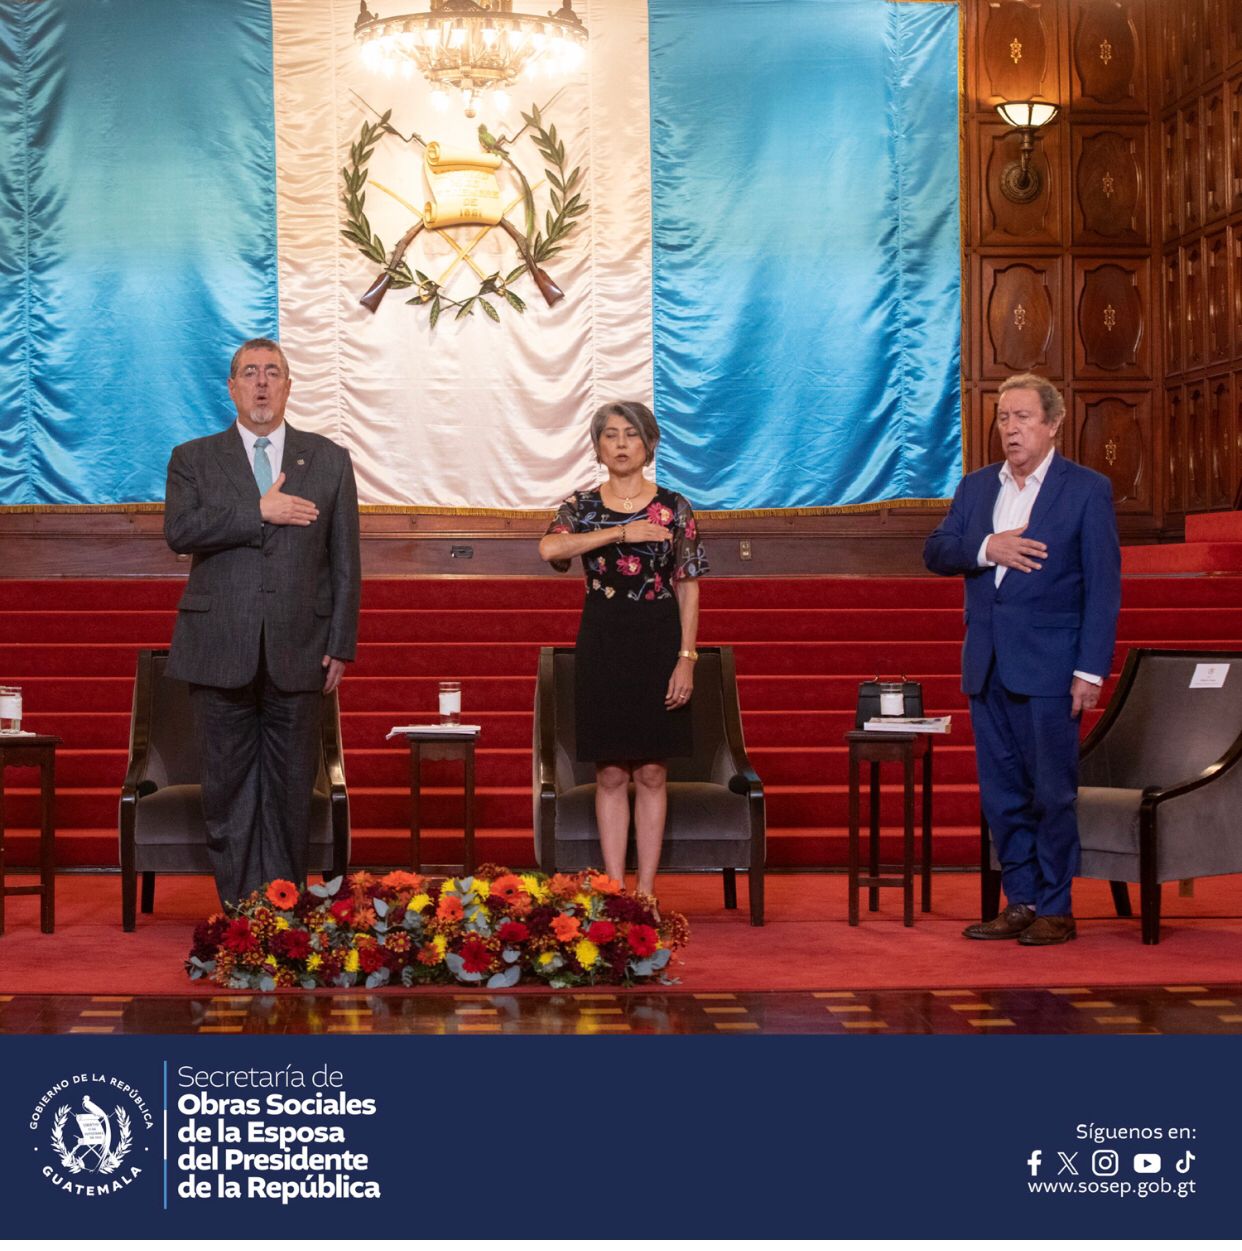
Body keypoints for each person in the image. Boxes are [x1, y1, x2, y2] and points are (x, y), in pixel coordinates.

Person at [924, 373, 1120, 946]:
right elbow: (937, 550)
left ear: (1053, 424)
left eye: (1023, 417)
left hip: (1053, 667)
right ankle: (1021, 901)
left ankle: (1056, 907)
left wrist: (1089, 670)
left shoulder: (1086, 490)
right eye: (1004, 417)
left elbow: (1103, 589)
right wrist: (990, 548)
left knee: (1052, 793)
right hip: (987, 664)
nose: (1011, 428)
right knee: (1002, 795)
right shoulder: (976, 488)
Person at [164, 338, 361, 906]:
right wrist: (257, 510)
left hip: (301, 648)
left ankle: (282, 910)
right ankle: (239, 912)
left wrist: (341, 642)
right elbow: (180, 531)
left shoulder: (328, 459)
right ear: (231, 387)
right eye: (249, 373)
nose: (261, 383)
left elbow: (345, 561)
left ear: (289, 386)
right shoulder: (193, 457)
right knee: (227, 791)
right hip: (218, 646)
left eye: (272, 372)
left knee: (291, 791)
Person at [539, 401, 709, 907]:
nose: (620, 444)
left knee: (653, 771)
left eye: (631, 434)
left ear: (649, 444)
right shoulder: (582, 506)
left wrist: (686, 657)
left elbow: (689, 585)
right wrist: (620, 532)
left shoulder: (675, 507)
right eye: (609, 435)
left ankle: (648, 892)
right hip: (603, 640)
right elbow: (550, 549)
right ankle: (615, 891)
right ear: (597, 447)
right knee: (610, 772)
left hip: (659, 638)